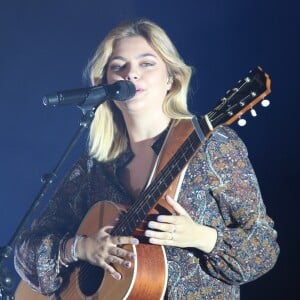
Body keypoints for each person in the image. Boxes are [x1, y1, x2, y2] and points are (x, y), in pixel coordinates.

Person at [14, 19, 279, 299]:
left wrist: (201, 237)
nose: (131, 74)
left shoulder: (213, 146)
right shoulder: (96, 165)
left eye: (147, 63)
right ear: (105, 83)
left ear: (171, 79)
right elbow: (24, 252)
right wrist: (81, 248)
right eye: (118, 66)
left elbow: (264, 250)